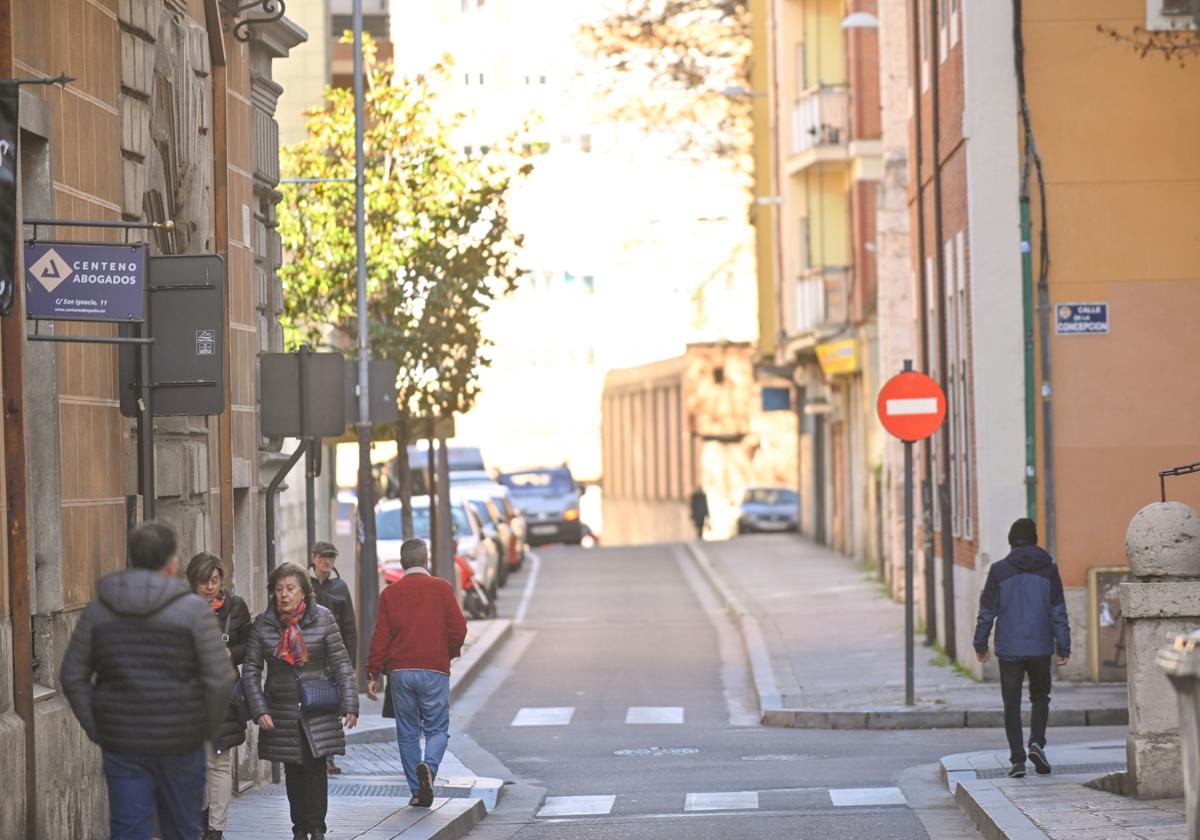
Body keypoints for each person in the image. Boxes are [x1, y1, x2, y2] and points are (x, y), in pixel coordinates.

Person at [60, 522, 234, 840]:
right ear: (171, 564)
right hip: (181, 742)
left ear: (131, 560)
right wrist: (202, 728)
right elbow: (221, 677)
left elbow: (73, 675)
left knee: (130, 830)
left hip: (124, 742)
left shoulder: (100, 611)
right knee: (182, 830)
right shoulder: (194, 612)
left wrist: (99, 727)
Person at [242, 562, 359, 840]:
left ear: (304, 592)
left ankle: (317, 827)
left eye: (290, 588)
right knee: (293, 770)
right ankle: (299, 828)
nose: (284, 594)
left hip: (318, 705)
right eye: (279, 589)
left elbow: (341, 663)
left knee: (316, 767)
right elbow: (250, 670)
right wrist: (259, 709)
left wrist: (350, 703)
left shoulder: (324, 618)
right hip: (281, 708)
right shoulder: (263, 624)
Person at [366, 539, 467, 808]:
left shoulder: (390, 593)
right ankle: (430, 768)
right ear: (426, 560)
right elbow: (459, 628)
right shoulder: (442, 588)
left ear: (402, 563)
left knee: (408, 732)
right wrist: (449, 652)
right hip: (434, 668)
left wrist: (372, 672)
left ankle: (417, 790)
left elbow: (381, 636)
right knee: (437, 729)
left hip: (400, 671)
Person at [973, 517, 1071, 779]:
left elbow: (986, 612)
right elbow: (1058, 610)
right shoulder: (1049, 569)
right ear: (1035, 538)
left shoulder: (998, 570)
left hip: (1010, 649)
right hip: (1040, 647)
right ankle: (1037, 742)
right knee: (1040, 697)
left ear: (1011, 539)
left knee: (1011, 704)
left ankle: (1017, 760)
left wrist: (980, 643)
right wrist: (1064, 645)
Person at [187, 551, 252, 840]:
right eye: (203, 581)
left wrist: (230, 652)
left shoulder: (235, 608)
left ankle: (215, 829)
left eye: (214, 580)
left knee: (219, 762)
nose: (210, 586)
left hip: (223, 697)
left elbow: (252, 647)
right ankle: (200, 819)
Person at [309, 540, 357, 776]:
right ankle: (318, 755)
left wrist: (351, 664)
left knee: (333, 707)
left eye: (331, 557)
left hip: (334, 658)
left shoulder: (340, 587)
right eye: (323, 557)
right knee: (315, 704)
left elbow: (349, 627)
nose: (327, 561)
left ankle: (328, 756)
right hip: (310, 658)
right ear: (314, 558)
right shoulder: (304, 585)